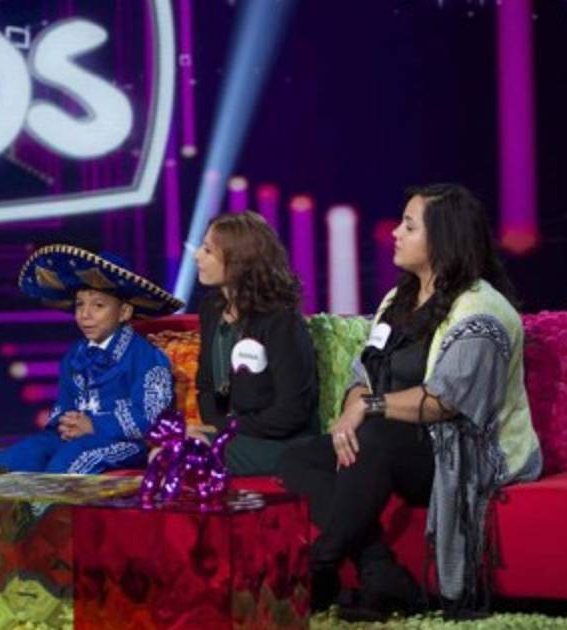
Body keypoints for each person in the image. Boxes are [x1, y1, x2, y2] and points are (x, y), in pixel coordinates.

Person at [279, 184, 542, 619]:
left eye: (409, 226)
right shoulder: (397, 299)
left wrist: (370, 408)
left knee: (377, 438)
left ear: (443, 238)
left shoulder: (482, 311)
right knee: (300, 458)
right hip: (397, 442)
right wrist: (352, 411)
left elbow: (446, 402)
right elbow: (364, 371)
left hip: (467, 450)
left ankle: (320, 563)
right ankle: (382, 574)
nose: (396, 233)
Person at [0, 245, 179, 480]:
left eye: (98, 305)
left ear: (124, 312)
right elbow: (65, 403)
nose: (85, 314)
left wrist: (94, 425)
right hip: (77, 436)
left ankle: (40, 503)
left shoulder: (146, 356)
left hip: (128, 444)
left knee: (71, 459)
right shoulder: (75, 355)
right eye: (80, 304)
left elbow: (152, 417)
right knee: (30, 450)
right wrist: (66, 423)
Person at [191, 211, 318, 475]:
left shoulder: (280, 320)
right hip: (235, 435)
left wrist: (226, 429)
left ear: (238, 261)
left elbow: (291, 411)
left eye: (208, 251)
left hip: (281, 442)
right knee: (171, 448)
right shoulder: (211, 310)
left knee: (182, 454)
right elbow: (207, 387)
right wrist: (219, 426)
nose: (197, 256)